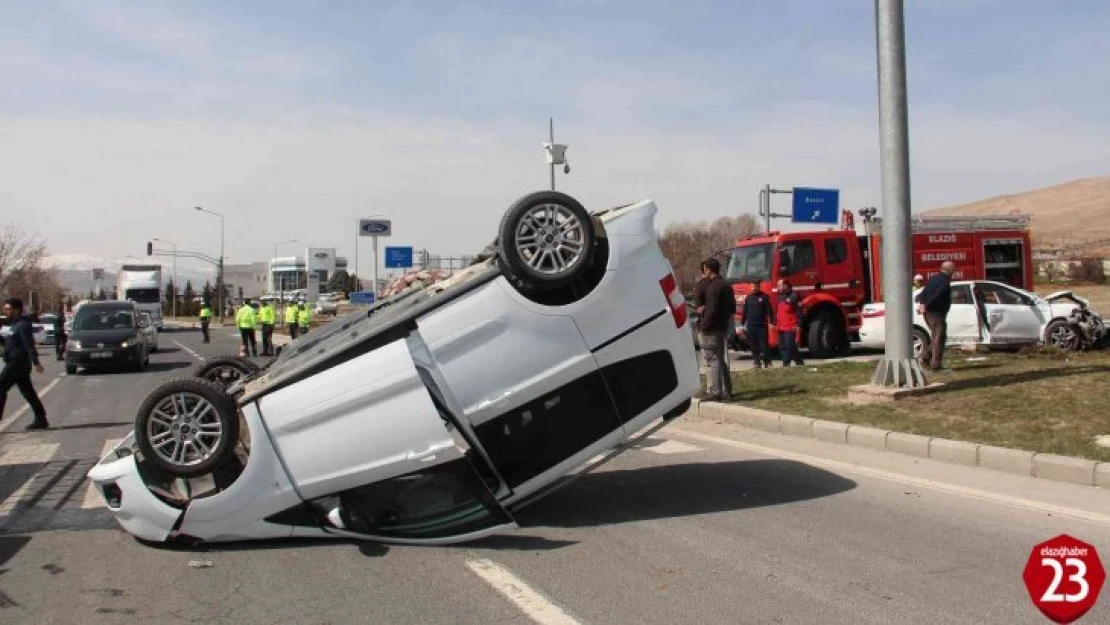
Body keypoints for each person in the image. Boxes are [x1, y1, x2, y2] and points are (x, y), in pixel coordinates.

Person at [1, 298, 49, 430]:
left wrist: (36, 362)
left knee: (1, 386)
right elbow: (9, 342)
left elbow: (29, 345)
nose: (5, 311)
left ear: (17, 310)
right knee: (28, 391)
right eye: (5, 309)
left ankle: (41, 418)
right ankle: (41, 419)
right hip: (14, 362)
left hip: (18, 363)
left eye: (8, 309)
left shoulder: (23, 325)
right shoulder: (13, 325)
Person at [695, 258, 735, 402]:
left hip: (711, 328)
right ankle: (727, 390)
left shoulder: (713, 287)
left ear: (709, 269)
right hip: (723, 327)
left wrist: (704, 326)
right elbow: (732, 308)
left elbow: (711, 310)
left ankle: (716, 391)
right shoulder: (726, 285)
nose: (704, 271)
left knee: (713, 359)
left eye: (705, 269)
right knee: (721, 359)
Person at [915, 261, 955, 371]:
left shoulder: (933, 279)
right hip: (936, 314)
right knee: (939, 338)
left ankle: (926, 358)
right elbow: (938, 295)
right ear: (950, 270)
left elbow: (924, 293)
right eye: (953, 270)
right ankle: (935, 364)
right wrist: (927, 306)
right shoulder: (945, 281)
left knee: (937, 337)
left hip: (929, 313)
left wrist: (923, 305)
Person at [741, 279, 775, 369]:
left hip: (761, 326)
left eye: (756, 286)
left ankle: (767, 362)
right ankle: (756, 362)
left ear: (759, 286)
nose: (754, 288)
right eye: (752, 286)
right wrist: (742, 325)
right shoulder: (748, 298)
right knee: (753, 345)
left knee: (764, 346)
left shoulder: (764, 297)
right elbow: (745, 312)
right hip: (751, 326)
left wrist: (772, 322)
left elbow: (769, 311)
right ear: (750, 287)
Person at [775, 279, 804, 367]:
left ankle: (786, 363)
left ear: (785, 286)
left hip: (790, 326)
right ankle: (797, 362)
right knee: (782, 346)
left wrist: (799, 325)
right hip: (780, 326)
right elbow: (778, 311)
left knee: (789, 346)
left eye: (779, 286)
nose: (778, 288)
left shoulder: (794, 296)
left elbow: (799, 312)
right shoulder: (780, 297)